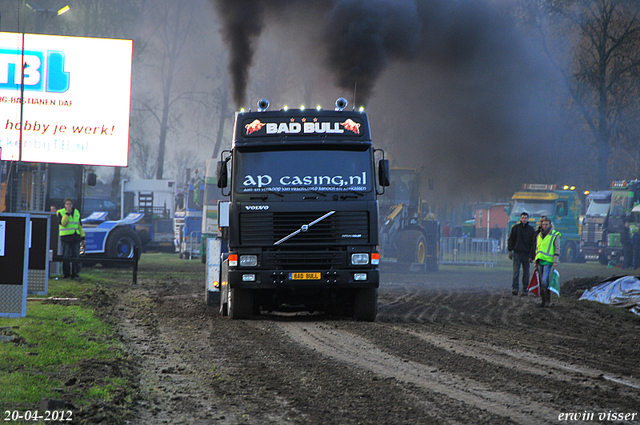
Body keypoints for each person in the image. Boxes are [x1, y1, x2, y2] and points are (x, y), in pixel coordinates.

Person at [534, 217, 561, 307]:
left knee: (545, 280)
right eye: (543, 224)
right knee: (542, 281)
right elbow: (537, 249)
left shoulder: (554, 235)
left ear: (550, 225)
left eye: (546, 224)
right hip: (540, 261)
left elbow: (557, 248)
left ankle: (548, 301)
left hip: (548, 261)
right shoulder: (539, 235)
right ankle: (544, 301)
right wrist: (535, 261)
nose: (545, 226)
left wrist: (555, 261)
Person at [507, 212, 535, 296]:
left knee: (526, 273)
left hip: (526, 254)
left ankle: (525, 289)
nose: (524, 219)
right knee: (516, 271)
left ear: (528, 219)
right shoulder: (515, 228)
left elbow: (533, 243)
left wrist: (532, 255)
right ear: (520, 218)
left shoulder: (531, 230)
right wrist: (510, 250)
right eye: (522, 218)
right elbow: (511, 239)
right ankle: (515, 288)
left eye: (525, 218)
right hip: (517, 253)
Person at [57, 198, 85, 279]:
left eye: (70, 204)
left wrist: (83, 237)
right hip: (66, 237)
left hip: (75, 237)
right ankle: (66, 274)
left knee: (76, 256)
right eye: (67, 204)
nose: (68, 206)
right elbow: (63, 223)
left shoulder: (76, 212)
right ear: (64, 205)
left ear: (72, 205)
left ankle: (75, 273)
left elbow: (79, 225)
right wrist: (67, 214)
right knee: (66, 256)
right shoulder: (60, 212)